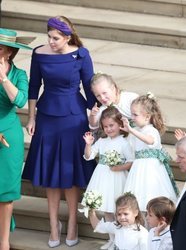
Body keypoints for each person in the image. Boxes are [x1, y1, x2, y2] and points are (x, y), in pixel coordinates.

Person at [22, 16, 97, 248]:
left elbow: (90, 88)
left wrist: (97, 118)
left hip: (74, 118)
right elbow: (34, 86)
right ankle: (54, 225)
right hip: (47, 117)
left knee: (70, 172)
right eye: (49, 37)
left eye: (56, 38)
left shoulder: (81, 54)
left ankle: (73, 222)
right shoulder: (38, 53)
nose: (51, 41)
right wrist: (32, 117)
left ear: (68, 37)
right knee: (50, 175)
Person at [0, 28, 34, 250]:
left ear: (10, 53)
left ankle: (3, 243)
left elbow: (20, 100)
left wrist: (3, 78)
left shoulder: (19, 74)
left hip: (10, 135)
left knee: (6, 191)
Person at [82, 107, 133, 249]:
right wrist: (88, 144)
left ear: (119, 124)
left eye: (112, 125)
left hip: (117, 178)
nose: (109, 129)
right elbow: (88, 156)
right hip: (102, 177)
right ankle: (111, 239)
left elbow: (130, 162)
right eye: (105, 127)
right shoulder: (102, 142)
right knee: (107, 210)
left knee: (117, 209)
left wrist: (118, 167)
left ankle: (119, 241)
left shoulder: (124, 142)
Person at [122, 93, 179, 217]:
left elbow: (150, 140)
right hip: (138, 168)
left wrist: (131, 130)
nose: (132, 117)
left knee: (151, 196)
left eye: (135, 115)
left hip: (150, 169)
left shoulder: (151, 130)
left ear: (147, 117)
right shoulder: (136, 131)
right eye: (131, 114)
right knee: (137, 198)